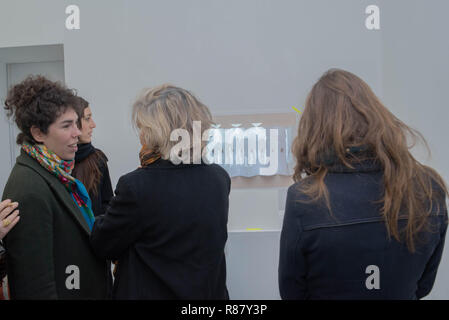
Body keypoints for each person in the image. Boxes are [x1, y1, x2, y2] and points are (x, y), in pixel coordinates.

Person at [279, 69, 448, 300]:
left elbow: (292, 292)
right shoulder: (429, 187)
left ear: (315, 128)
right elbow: (423, 286)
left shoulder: (305, 198)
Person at [90, 84, 230, 299]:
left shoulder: (137, 186)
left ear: (157, 133)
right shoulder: (218, 178)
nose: (141, 136)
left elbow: (103, 244)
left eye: (142, 128)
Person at [2, 75, 109, 299]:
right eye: (66, 125)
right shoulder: (29, 188)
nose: (77, 133)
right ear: (38, 133)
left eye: (76, 123)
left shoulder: (56, 174)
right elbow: (35, 286)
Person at [72, 97, 113, 217]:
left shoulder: (98, 159)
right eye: (87, 119)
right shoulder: (54, 162)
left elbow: (108, 205)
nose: (93, 125)